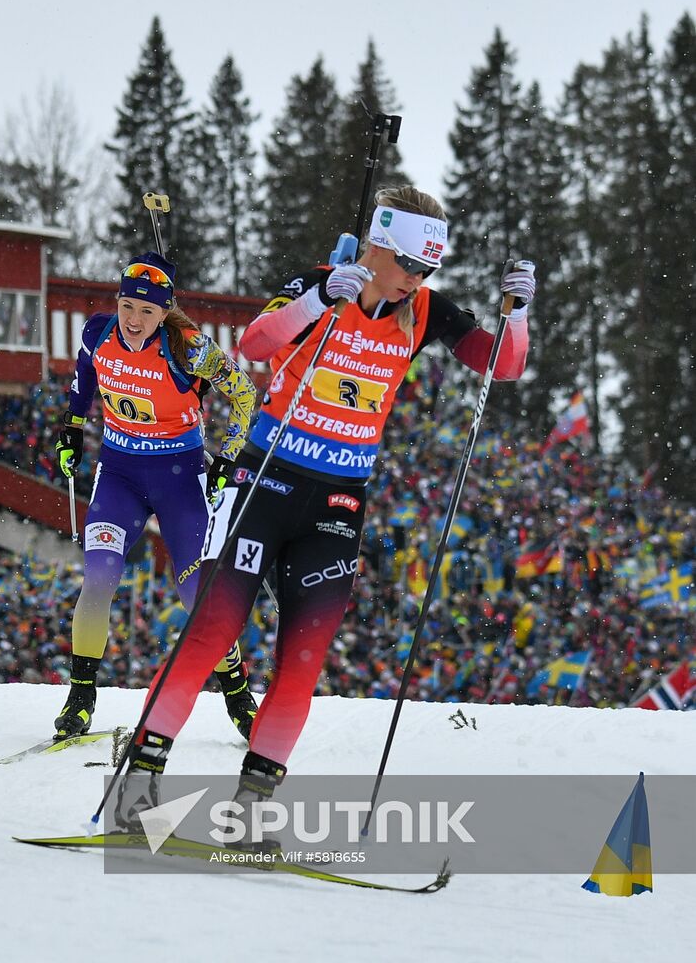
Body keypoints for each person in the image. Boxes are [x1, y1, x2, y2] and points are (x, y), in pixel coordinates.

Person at [114, 187, 535, 840]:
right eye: (411, 267)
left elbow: (500, 365)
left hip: (338, 501)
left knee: (303, 660)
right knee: (213, 635)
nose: (418, 281)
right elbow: (256, 344)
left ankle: (250, 810)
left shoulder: (423, 311)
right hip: (267, 479)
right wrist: (319, 300)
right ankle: (137, 788)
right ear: (381, 249)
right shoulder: (319, 284)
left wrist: (518, 315)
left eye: (428, 271)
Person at [54, 250, 259, 741]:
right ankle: (81, 695)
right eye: (128, 305)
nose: (134, 319)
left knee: (195, 593)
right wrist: (72, 428)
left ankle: (235, 691)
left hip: (179, 476)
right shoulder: (97, 331)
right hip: (120, 472)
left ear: (165, 312)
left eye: (147, 311)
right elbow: (85, 376)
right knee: (99, 576)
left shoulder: (190, 348)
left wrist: (229, 456)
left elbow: (247, 394)